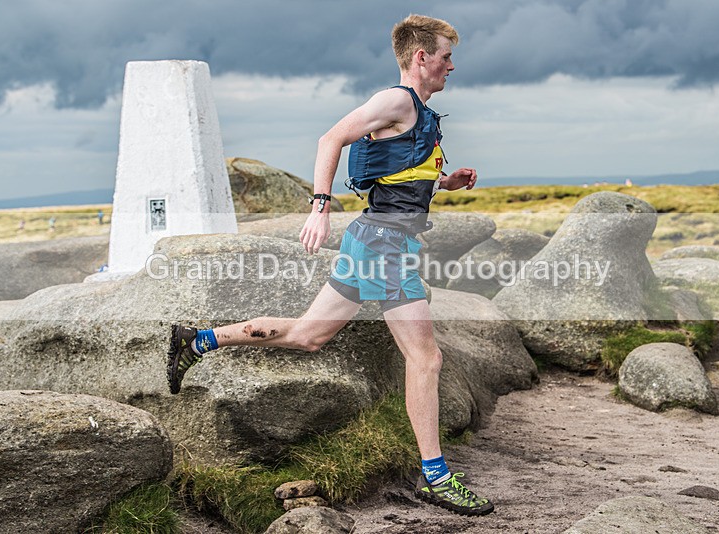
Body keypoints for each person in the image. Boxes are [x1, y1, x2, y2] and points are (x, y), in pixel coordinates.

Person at [167, 14, 492, 516]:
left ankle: (198, 340)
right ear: (421, 56)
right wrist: (319, 208)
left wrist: (446, 183)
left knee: (307, 335)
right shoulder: (397, 101)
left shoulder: (417, 112)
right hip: (384, 247)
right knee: (426, 359)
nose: (452, 65)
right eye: (446, 56)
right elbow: (330, 139)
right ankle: (436, 478)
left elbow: (400, 177)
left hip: (370, 242)